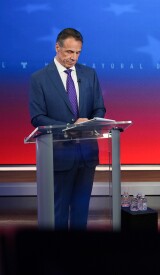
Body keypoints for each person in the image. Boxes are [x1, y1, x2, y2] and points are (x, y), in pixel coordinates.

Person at [29, 28, 106, 230]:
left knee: (81, 212)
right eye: (69, 52)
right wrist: (71, 127)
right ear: (57, 47)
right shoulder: (39, 78)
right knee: (59, 212)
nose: (73, 57)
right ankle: (57, 256)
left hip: (87, 153)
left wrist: (90, 122)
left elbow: (100, 108)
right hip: (59, 154)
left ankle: (78, 258)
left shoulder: (89, 74)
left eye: (78, 52)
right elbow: (37, 117)